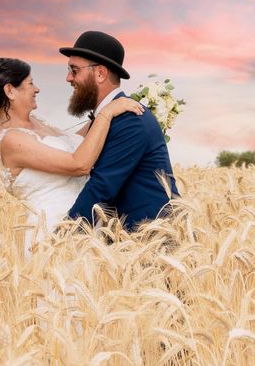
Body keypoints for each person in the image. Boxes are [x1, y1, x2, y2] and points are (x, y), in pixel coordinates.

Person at [0, 56, 144, 249]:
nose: (36, 88)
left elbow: (76, 142)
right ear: (10, 91)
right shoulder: (12, 140)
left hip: (82, 226)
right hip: (54, 235)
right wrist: (107, 113)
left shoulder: (35, 122)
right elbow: (78, 164)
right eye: (30, 83)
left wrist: (113, 108)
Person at [59, 31, 179, 232]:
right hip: (124, 248)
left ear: (100, 73)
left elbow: (101, 190)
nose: (68, 77)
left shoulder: (130, 121)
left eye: (74, 70)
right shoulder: (106, 119)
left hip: (149, 246)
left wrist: (59, 241)